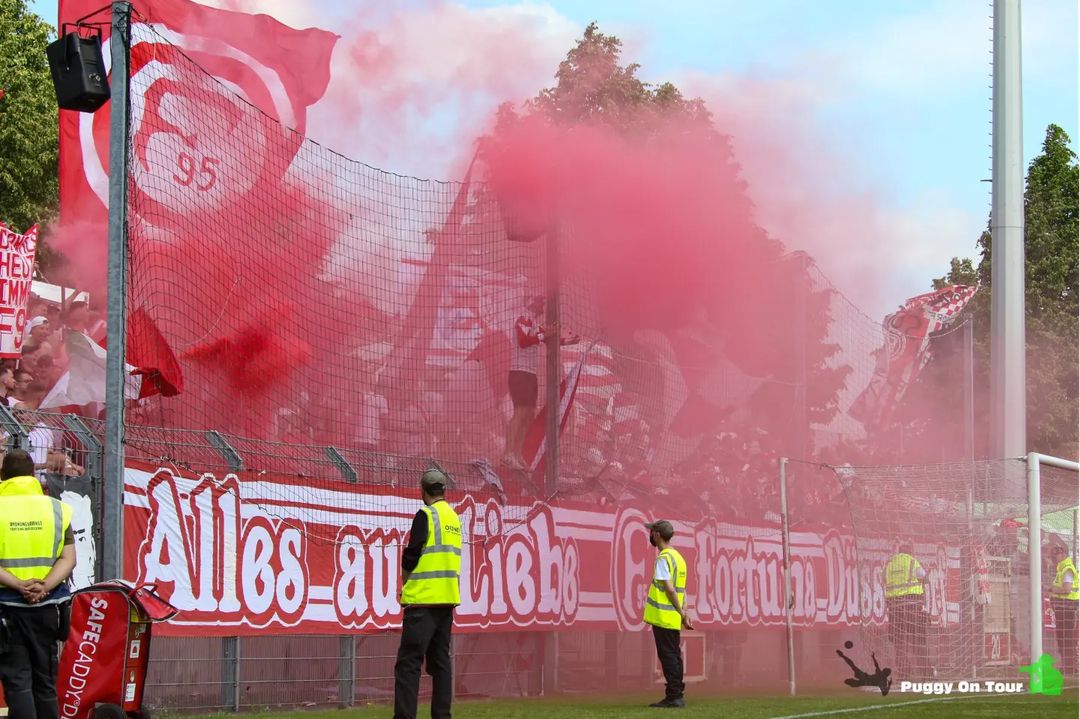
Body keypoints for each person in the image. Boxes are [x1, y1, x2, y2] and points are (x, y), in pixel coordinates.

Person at [0, 449, 76, 719]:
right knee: (45, 682)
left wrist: (19, 585)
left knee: (18, 681)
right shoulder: (56, 509)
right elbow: (68, 559)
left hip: (7, 609)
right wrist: (43, 587)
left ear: (2, 475)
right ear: (33, 474)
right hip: (48, 607)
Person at [394, 469, 462, 719]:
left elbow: (411, 555)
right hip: (446, 602)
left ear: (423, 491)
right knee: (441, 664)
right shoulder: (454, 519)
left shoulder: (426, 514)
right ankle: (442, 716)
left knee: (409, 665)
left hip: (422, 601)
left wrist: (403, 583)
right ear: (444, 490)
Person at [504, 295, 578, 469]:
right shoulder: (524, 319)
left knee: (529, 414)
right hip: (519, 372)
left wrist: (570, 339)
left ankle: (517, 453)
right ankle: (508, 453)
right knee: (520, 412)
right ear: (531, 304)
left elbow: (551, 338)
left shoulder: (536, 324)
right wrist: (545, 334)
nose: (542, 306)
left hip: (530, 374)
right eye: (539, 303)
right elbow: (523, 342)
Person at [643, 519, 693, 709]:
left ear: (656, 534)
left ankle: (674, 696)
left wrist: (682, 613)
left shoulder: (663, 558)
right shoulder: (678, 558)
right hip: (673, 617)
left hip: (664, 617)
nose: (650, 535)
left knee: (668, 656)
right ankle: (676, 693)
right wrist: (684, 613)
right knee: (674, 655)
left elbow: (670, 589)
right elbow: (683, 590)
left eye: (652, 531)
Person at [883, 542, 927, 679]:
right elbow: (923, 576)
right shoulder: (913, 562)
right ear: (910, 552)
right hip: (912, 607)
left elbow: (883, 579)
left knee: (899, 643)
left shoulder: (890, 564)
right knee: (918, 641)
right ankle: (926, 673)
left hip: (895, 609)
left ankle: (903, 673)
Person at [1045, 537, 1078, 676]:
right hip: (1064, 607)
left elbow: (1066, 589)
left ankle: (1069, 667)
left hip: (1068, 607)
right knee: (1064, 637)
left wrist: (1050, 589)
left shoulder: (1067, 569)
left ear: (1063, 554)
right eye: (1053, 555)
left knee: (1066, 637)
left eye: (1056, 555)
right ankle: (1068, 666)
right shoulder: (1062, 569)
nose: (1054, 558)